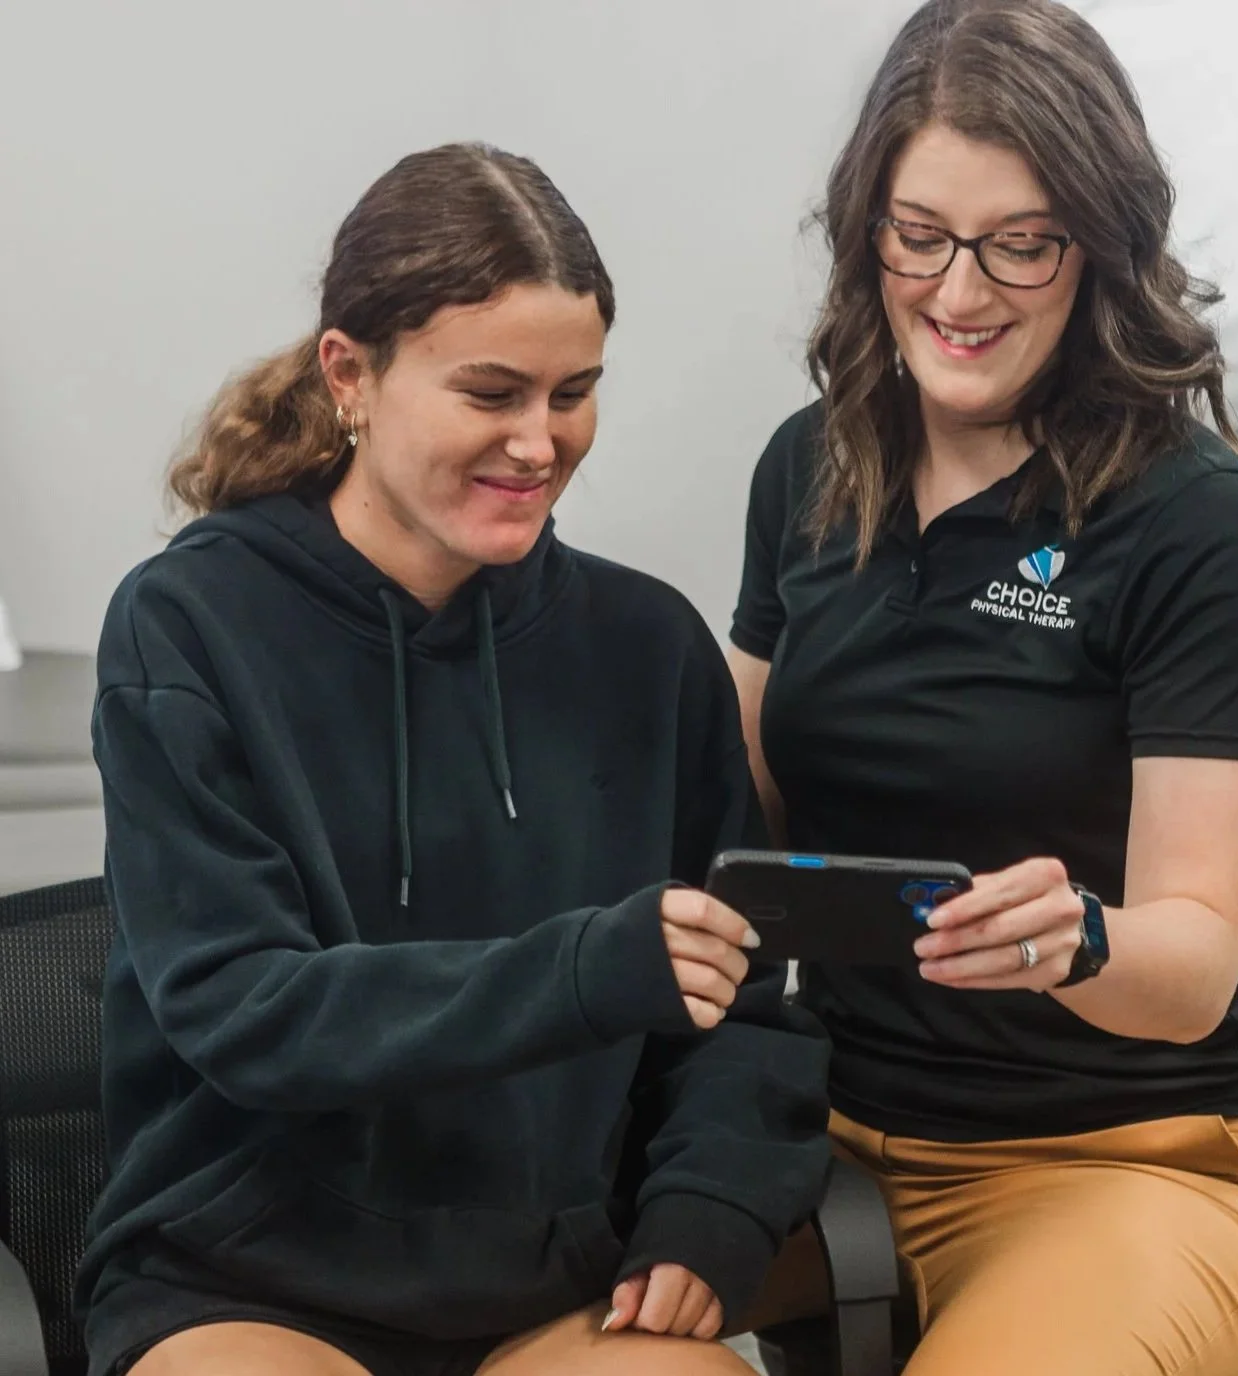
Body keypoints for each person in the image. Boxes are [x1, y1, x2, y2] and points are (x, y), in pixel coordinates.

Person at [76, 141, 831, 1376]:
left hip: (560, 1284)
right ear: (349, 374)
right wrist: (586, 969)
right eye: (491, 393)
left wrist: (710, 1211)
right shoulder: (188, 627)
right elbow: (245, 1008)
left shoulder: (646, 647)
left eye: (572, 391)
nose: (539, 443)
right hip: (245, 1284)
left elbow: (740, 1003)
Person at [730, 3, 1238, 1373]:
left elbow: (1192, 965)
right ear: (867, 229)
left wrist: (1076, 941)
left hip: (1140, 1162)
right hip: (830, 1130)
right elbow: (741, 797)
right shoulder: (809, 469)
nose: (960, 293)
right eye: (920, 235)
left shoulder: (1196, 523)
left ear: (1099, 246)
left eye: (1021, 243)